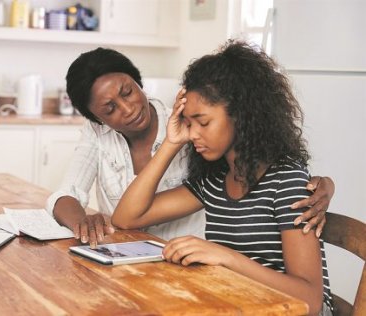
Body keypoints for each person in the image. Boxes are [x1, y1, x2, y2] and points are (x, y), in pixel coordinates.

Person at [112, 40, 332, 315]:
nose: (192, 135)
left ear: (241, 115)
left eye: (202, 122)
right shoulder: (214, 181)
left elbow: (311, 300)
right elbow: (125, 218)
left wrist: (225, 257)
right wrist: (171, 142)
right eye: (188, 124)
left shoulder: (285, 182)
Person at [46, 47, 335, 248]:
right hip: (145, 262)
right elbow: (81, 198)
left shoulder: (196, 128)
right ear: (98, 119)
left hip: (192, 263)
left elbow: (269, 172)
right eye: (110, 108)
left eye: (128, 91)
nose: (128, 108)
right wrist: (82, 222)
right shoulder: (206, 173)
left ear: (138, 82)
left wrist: (324, 185)